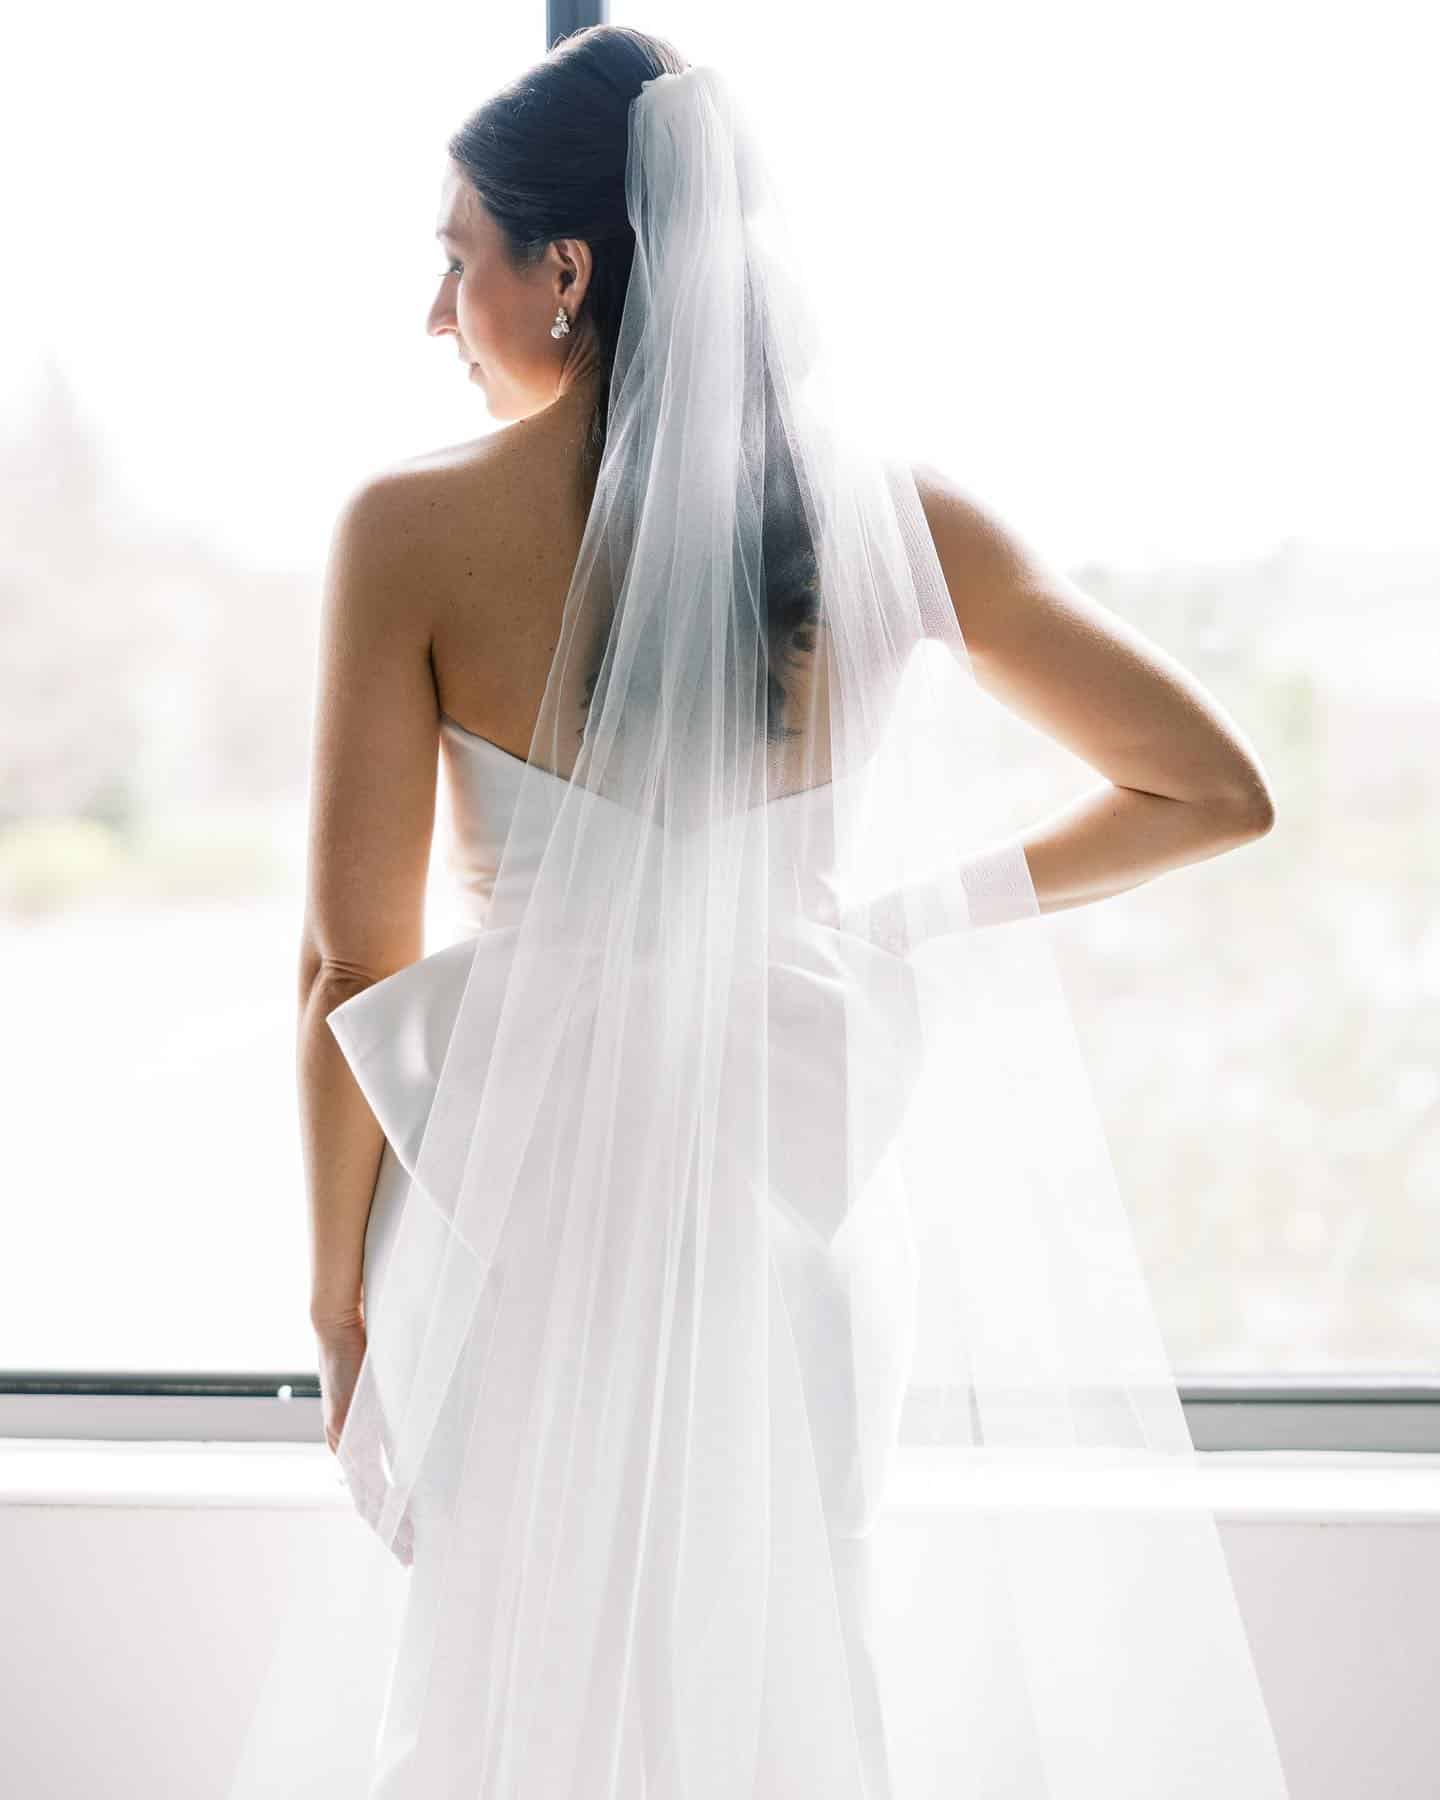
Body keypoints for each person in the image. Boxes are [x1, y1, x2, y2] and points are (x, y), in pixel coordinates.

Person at [268, 24, 1291, 1799]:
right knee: (780, 1662)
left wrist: (341, 1308)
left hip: (517, 1209)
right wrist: (898, 917)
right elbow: (1212, 788)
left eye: (457, 260)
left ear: (565, 268)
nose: (437, 316)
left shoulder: (411, 531)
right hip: (777, 1185)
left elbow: (350, 966)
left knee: (506, 1688)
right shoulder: (898, 519)